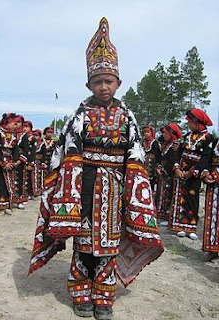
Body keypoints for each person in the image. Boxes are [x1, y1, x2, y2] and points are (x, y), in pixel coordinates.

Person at [28, 17, 164, 320]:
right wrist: (67, 194)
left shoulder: (128, 117)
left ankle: (104, 297)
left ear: (118, 83)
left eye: (109, 81)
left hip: (115, 192)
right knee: (84, 244)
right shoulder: (80, 114)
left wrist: (134, 196)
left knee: (109, 245)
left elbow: (136, 156)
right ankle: (80, 292)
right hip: (84, 190)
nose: (103, 86)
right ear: (88, 84)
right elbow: (64, 153)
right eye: (97, 81)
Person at [168, 109, 213, 240]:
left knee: (193, 198)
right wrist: (177, 168)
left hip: (194, 172)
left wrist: (192, 172)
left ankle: (191, 226)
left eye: (190, 122)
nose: (188, 125)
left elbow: (206, 158)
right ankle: (181, 225)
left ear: (197, 123)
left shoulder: (208, 138)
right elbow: (178, 153)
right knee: (180, 197)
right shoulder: (187, 136)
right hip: (182, 170)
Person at [0, 113, 19, 214]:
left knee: (10, 183)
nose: (15, 126)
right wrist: (3, 163)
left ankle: (8, 204)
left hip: (10, 161)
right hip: (0, 162)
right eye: (14, 123)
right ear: (7, 123)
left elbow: (16, 150)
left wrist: (14, 161)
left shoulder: (13, 135)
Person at [155, 123, 181, 225]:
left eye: (166, 133)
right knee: (161, 193)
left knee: (169, 194)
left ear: (171, 134)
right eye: (163, 133)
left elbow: (173, 159)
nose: (164, 135)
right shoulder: (163, 145)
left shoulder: (175, 146)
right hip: (162, 172)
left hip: (170, 173)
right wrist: (158, 167)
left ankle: (167, 216)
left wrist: (164, 170)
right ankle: (160, 214)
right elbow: (158, 158)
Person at [201, 138, 219, 261]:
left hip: (215, 178)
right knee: (213, 216)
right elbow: (206, 158)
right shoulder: (215, 141)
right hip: (214, 185)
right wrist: (205, 173)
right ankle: (213, 248)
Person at [142, 125, 161, 192]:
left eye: (148, 132)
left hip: (152, 166)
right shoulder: (142, 142)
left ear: (151, 133)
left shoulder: (155, 143)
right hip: (143, 164)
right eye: (144, 132)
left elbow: (158, 155)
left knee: (151, 181)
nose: (146, 134)